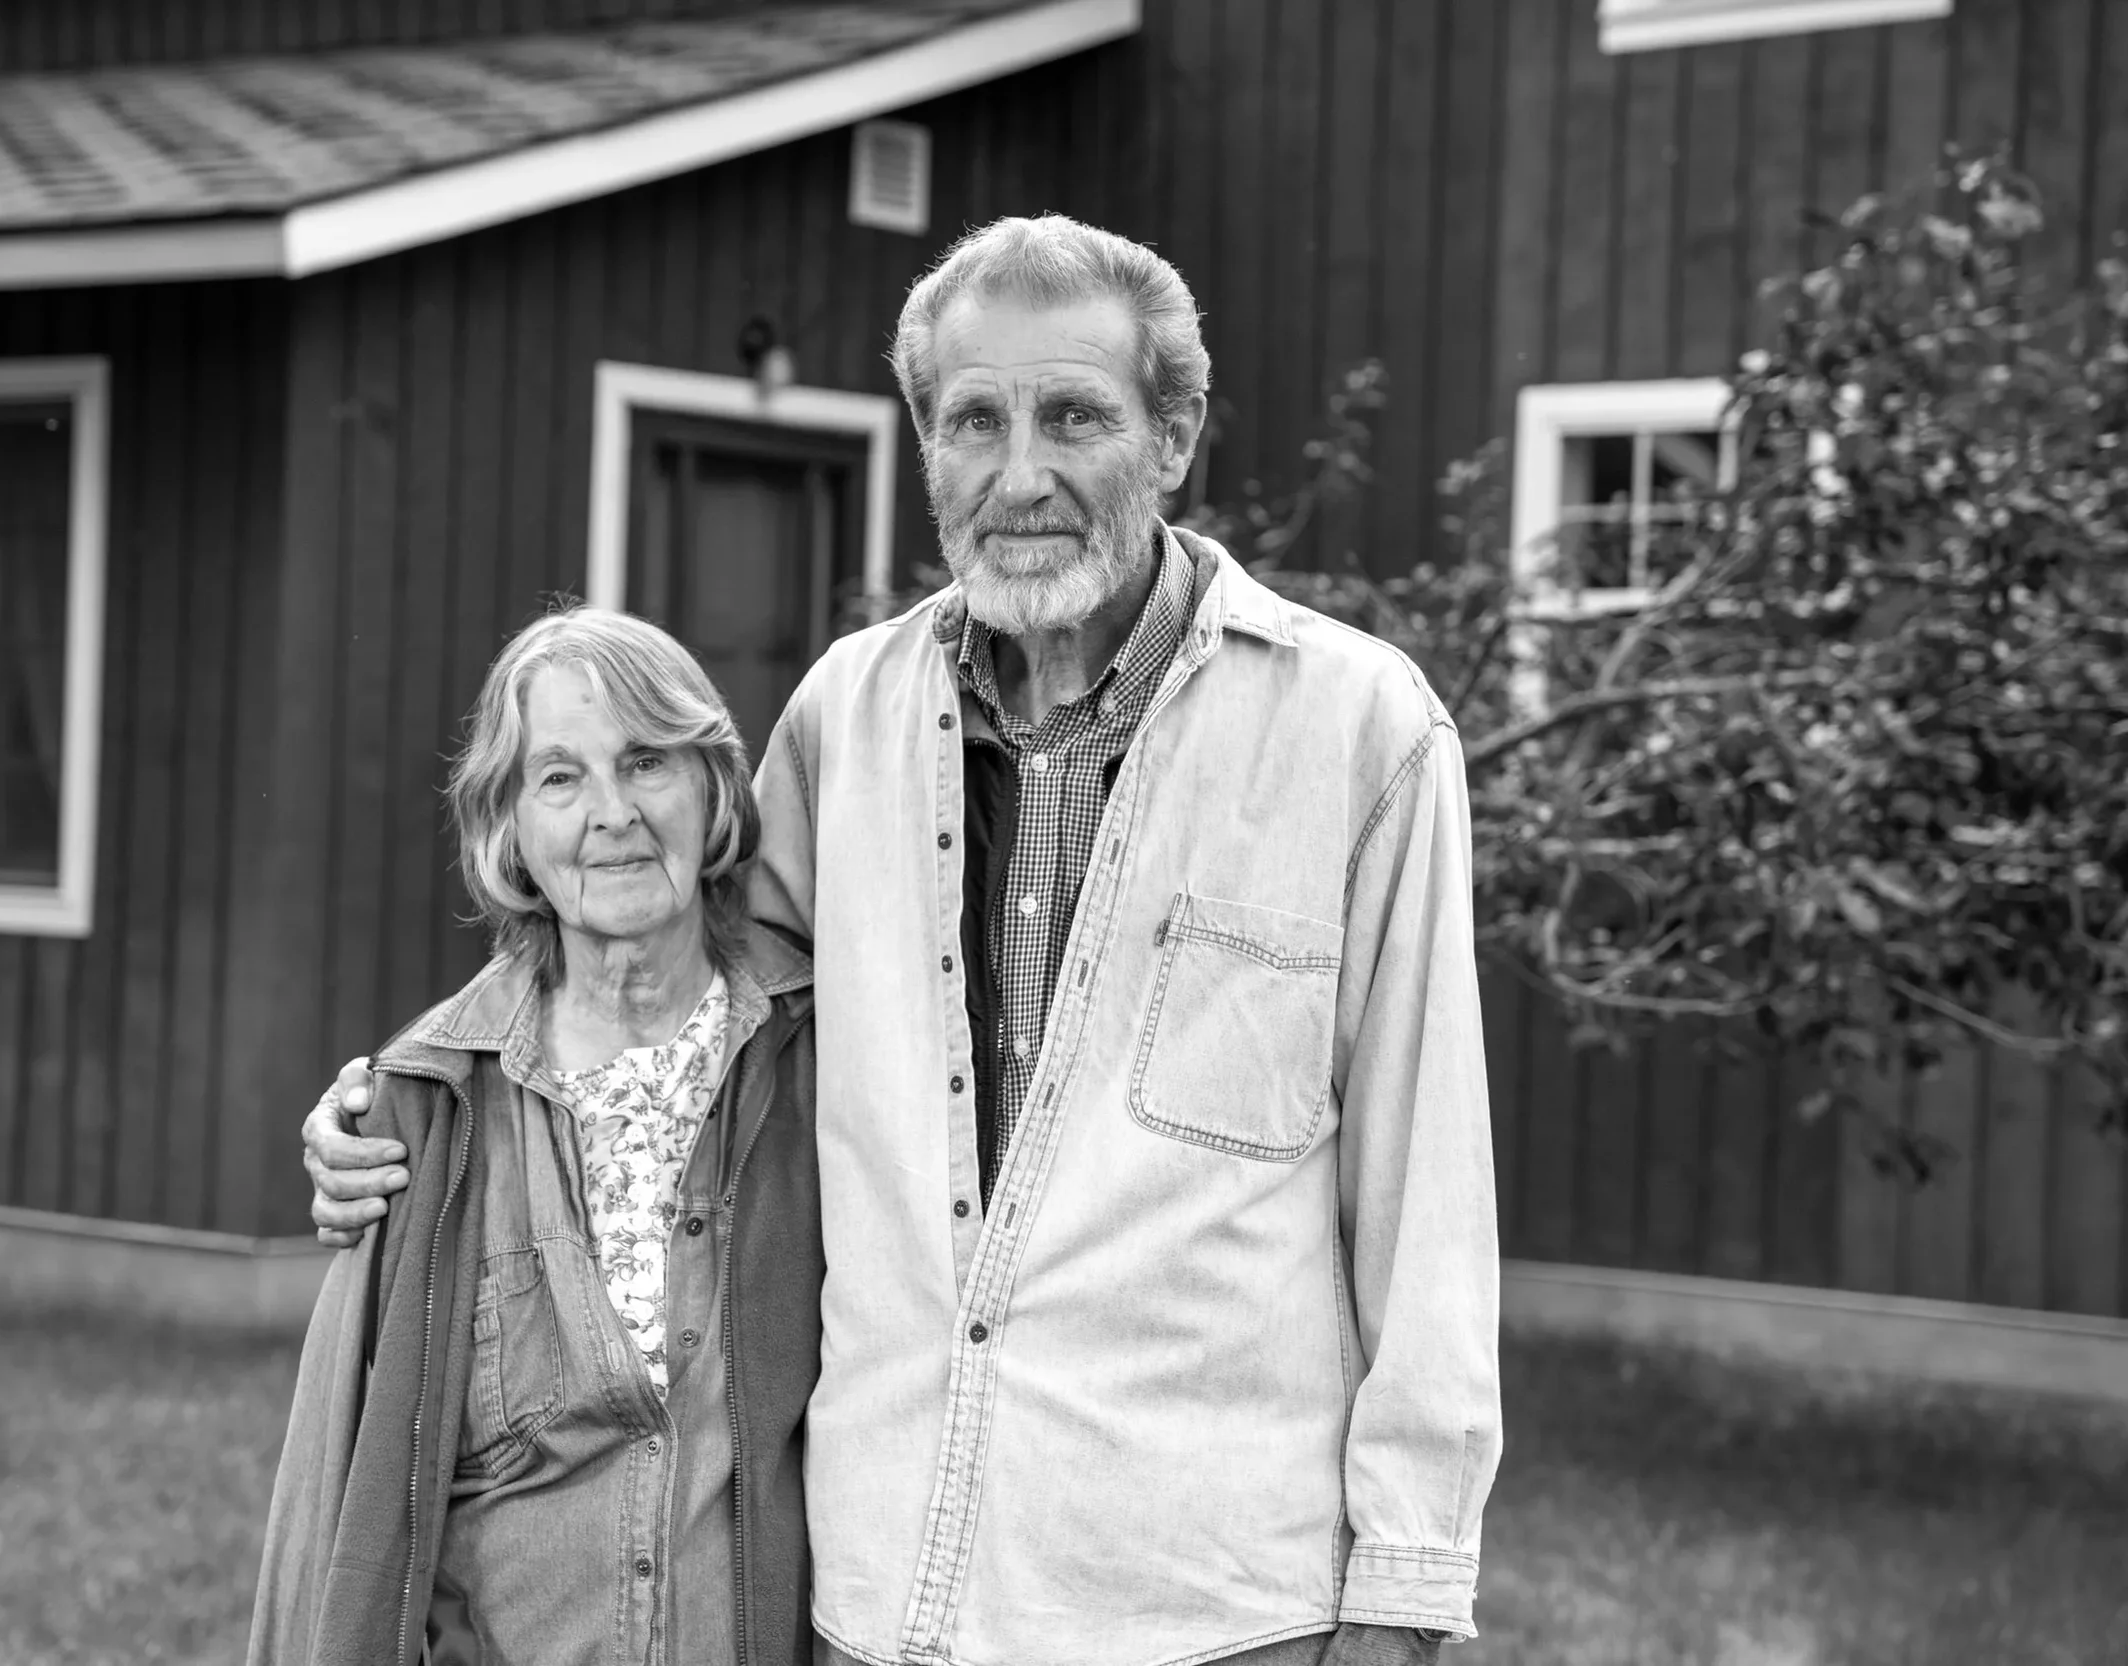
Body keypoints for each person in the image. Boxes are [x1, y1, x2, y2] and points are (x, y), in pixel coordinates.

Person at [306, 215, 1500, 1666]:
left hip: (1212, 1610)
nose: (1021, 475)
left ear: (1175, 433)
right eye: (973, 422)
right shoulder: (845, 721)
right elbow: (663, 978)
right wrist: (414, 1097)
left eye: (1075, 416)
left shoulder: (1357, 731)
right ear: (927, 448)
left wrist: (1405, 1596)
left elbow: (1428, 1195)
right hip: (885, 1601)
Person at [249, 609, 823, 1666]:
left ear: (713, 789)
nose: (613, 813)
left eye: (647, 760)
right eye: (560, 778)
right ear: (508, 827)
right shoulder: (426, 1108)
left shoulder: (816, 1065)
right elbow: (343, 1493)